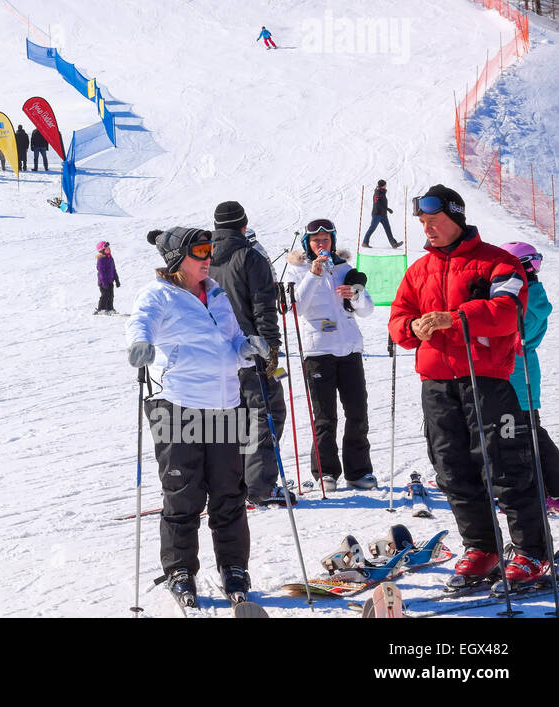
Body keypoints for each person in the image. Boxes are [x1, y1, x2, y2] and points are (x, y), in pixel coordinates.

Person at [389, 184, 547, 588]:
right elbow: (397, 319)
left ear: (456, 218)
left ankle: (532, 552)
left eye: (435, 221)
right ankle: (482, 547)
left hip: (486, 380)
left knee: (505, 466)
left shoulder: (499, 262)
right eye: (423, 223)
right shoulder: (418, 270)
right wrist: (412, 326)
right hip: (437, 384)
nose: (428, 229)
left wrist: (454, 318)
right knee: (453, 469)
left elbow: (507, 312)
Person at [127, 226, 264, 604]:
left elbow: (232, 339)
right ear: (177, 260)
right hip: (178, 404)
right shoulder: (159, 295)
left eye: (210, 250)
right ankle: (180, 569)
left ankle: (234, 567)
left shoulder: (217, 295)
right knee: (182, 494)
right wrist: (139, 342)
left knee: (229, 493)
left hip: (226, 403)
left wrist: (246, 347)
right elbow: (140, 322)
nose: (208, 258)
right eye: (200, 251)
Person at [286, 217, 377, 491]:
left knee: (357, 412)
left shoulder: (345, 268)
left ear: (332, 242)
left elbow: (367, 310)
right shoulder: (297, 270)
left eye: (326, 240)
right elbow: (295, 308)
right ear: (308, 243)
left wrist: (356, 295)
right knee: (325, 416)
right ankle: (325, 472)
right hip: (318, 351)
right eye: (316, 240)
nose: (321, 244)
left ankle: (358, 471)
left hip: (349, 348)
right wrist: (313, 275)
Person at [208, 201, 289, 505]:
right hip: (251, 352)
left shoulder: (205, 258)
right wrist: (271, 349)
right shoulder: (249, 257)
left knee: (235, 416)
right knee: (267, 412)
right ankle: (259, 486)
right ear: (243, 226)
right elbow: (263, 307)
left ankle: (234, 483)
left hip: (219, 355)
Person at [501, 242, 559, 509]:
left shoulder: (527, 299)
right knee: (524, 430)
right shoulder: (530, 294)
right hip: (518, 372)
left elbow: (514, 337)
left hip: (516, 374)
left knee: (526, 432)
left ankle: (549, 485)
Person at [362, 179, 402, 248]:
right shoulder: (378, 192)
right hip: (377, 214)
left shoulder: (382, 192)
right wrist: (387, 209)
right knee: (372, 228)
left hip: (383, 214)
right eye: (385, 185)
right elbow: (377, 203)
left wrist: (386, 210)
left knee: (388, 229)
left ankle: (393, 243)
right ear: (382, 186)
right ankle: (365, 242)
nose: (386, 186)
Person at [95, 241, 120, 315]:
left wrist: (117, 280)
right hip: (103, 282)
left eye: (109, 248)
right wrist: (104, 282)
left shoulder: (110, 258)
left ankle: (110, 309)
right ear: (102, 250)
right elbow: (101, 272)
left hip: (110, 281)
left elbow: (114, 270)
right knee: (105, 295)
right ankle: (101, 309)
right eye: (106, 248)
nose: (109, 249)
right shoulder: (101, 259)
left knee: (111, 295)